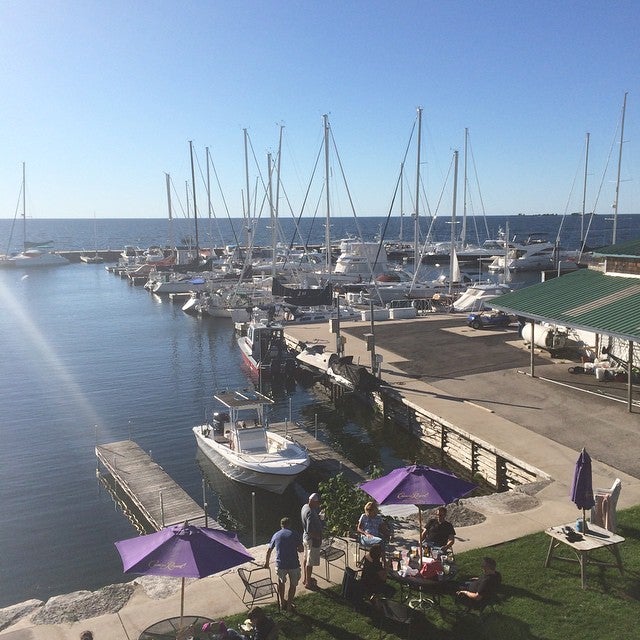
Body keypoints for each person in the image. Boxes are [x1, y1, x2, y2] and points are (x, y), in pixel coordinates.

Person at [264, 516, 304, 611]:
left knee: (281, 584)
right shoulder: (294, 533)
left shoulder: (276, 535)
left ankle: (282, 603)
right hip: (293, 564)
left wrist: (267, 563)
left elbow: (269, 551)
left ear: (281, 525)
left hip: (280, 564)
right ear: (289, 525)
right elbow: (301, 549)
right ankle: (289, 605)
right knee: (293, 584)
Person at [300, 492, 323, 589]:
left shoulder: (304, 507)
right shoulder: (310, 512)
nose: (318, 505)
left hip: (305, 538)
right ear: (313, 502)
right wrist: (317, 536)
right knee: (310, 562)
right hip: (311, 540)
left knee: (306, 559)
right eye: (318, 503)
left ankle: (305, 579)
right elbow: (310, 530)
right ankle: (308, 583)